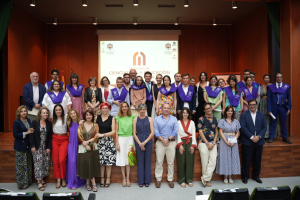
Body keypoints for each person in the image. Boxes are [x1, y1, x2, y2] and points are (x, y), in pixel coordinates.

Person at [240, 99, 267, 184]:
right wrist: (251, 137)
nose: (252, 106)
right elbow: (243, 127)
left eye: (254, 104)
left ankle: (256, 176)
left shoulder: (261, 115)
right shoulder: (244, 114)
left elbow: (264, 127)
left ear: (256, 105)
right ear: (248, 105)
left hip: (259, 141)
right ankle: (245, 177)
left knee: (257, 160)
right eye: (251, 104)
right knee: (246, 160)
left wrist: (258, 137)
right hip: (247, 141)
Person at [154, 103, 179, 188]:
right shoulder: (157, 119)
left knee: (171, 162)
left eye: (168, 108)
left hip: (171, 143)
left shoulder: (174, 119)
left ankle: (170, 180)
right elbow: (156, 131)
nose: (166, 109)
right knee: (159, 161)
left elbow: (175, 131)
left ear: (170, 109)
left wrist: (168, 139)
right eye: (165, 108)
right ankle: (158, 179)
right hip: (160, 143)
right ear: (162, 109)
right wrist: (163, 140)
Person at [216, 106, 241, 184]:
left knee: (233, 157)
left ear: (233, 112)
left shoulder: (236, 121)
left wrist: (235, 140)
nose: (229, 112)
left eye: (231, 111)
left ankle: (231, 176)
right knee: (225, 158)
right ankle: (225, 176)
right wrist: (226, 141)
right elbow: (221, 132)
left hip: (233, 140)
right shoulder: (222, 121)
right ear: (225, 112)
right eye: (228, 111)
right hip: (224, 140)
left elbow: (238, 132)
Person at [77, 110, 100, 192]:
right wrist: (85, 144)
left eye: (90, 115)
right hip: (83, 148)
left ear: (92, 116)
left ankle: (91, 184)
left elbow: (97, 136)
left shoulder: (96, 125)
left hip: (93, 148)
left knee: (92, 165)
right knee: (85, 165)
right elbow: (79, 135)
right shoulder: (81, 125)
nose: (88, 116)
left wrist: (89, 142)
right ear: (85, 116)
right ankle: (89, 183)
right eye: (87, 115)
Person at [30, 107, 52, 191]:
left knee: (44, 163)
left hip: (45, 146)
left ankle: (42, 179)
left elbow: (50, 137)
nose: (45, 114)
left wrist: (49, 147)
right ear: (40, 114)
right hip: (37, 146)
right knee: (38, 164)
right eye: (43, 113)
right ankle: (39, 182)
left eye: (46, 113)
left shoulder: (49, 123)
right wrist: (32, 146)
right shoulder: (35, 122)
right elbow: (31, 135)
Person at [133, 103, 154, 187]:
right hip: (138, 140)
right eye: (141, 109)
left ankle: (147, 180)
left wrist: (144, 142)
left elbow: (152, 132)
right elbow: (134, 133)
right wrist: (139, 143)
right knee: (140, 161)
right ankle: (141, 181)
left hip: (148, 140)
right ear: (138, 110)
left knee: (147, 161)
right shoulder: (135, 119)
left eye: (144, 109)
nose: (142, 111)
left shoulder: (150, 119)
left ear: (145, 110)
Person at [95, 103, 116, 188]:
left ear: (108, 109)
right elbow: (94, 129)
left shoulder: (112, 118)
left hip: (109, 142)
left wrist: (102, 135)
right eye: (103, 108)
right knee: (101, 162)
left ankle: (108, 178)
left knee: (109, 162)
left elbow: (113, 131)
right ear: (100, 109)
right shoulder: (97, 118)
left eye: (106, 108)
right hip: (99, 142)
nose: (104, 109)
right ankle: (102, 178)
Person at [267, 73, 292, 144]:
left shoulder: (286, 87)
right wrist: (269, 109)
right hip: (273, 107)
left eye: (280, 77)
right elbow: (268, 99)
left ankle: (285, 137)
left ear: (282, 78)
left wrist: (289, 108)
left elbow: (289, 98)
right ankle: (271, 137)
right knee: (272, 122)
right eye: (277, 77)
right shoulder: (271, 87)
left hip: (283, 107)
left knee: (283, 123)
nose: (279, 78)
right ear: (275, 78)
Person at [115, 101, 136, 187]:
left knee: (129, 159)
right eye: (122, 107)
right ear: (121, 108)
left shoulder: (133, 117)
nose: (124, 108)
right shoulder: (117, 118)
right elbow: (116, 131)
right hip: (121, 139)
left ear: (128, 108)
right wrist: (117, 143)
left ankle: (128, 178)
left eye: (126, 106)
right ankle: (124, 178)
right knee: (122, 158)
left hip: (130, 139)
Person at [198, 103, 219, 187]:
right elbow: (200, 132)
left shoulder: (216, 119)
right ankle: (206, 181)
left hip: (213, 143)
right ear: (204, 110)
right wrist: (207, 143)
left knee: (213, 161)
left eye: (210, 108)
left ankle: (205, 178)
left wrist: (213, 142)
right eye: (207, 109)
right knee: (205, 162)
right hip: (203, 143)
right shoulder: (201, 119)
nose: (209, 110)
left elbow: (217, 131)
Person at [13, 105, 34, 189]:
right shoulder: (16, 122)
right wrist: (26, 133)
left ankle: (28, 181)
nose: (24, 113)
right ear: (19, 113)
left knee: (28, 164)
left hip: (28, 146)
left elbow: (30, 130)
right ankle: (22, 184)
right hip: (20, 146)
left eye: (25, 111)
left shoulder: (28, 120)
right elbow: (15, 134)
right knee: (21, 166)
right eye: (22, 111)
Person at [176, 108, 197, 188]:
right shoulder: (178, 122)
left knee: (190, 161)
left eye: (186, 113)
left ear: (189, 114)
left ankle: (189, 179)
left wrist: (193, 145)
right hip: (181, 141)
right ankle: (181, 180)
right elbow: (177, 134)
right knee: (181, 161)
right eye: (183, 113)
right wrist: (180, 144)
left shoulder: (192, 122)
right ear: (181, 114)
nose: (185, 114)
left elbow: (194, 134)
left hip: (190, 141)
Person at [66, 109, 85, 190]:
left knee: (78, 162)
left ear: (76, 114)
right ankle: (72, 181)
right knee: (72, 162)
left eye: (74, 113)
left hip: (79, 144)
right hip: (71, 144)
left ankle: (79, 181)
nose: (73, 115)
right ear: (70, 116)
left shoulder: (81, 122)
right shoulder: (68, 123)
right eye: (71, 114)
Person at [51, 104, 68, 188]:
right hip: (55, 139)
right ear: (54, 111)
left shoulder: (66, 117)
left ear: (62, 110)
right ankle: (58, 179)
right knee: (56, 160)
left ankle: (63, 178)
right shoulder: (52, 118)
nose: (58, 111)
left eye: (59, 109)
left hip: (64, 139)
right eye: (56, 110)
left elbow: (74, 120)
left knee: (62, 160)